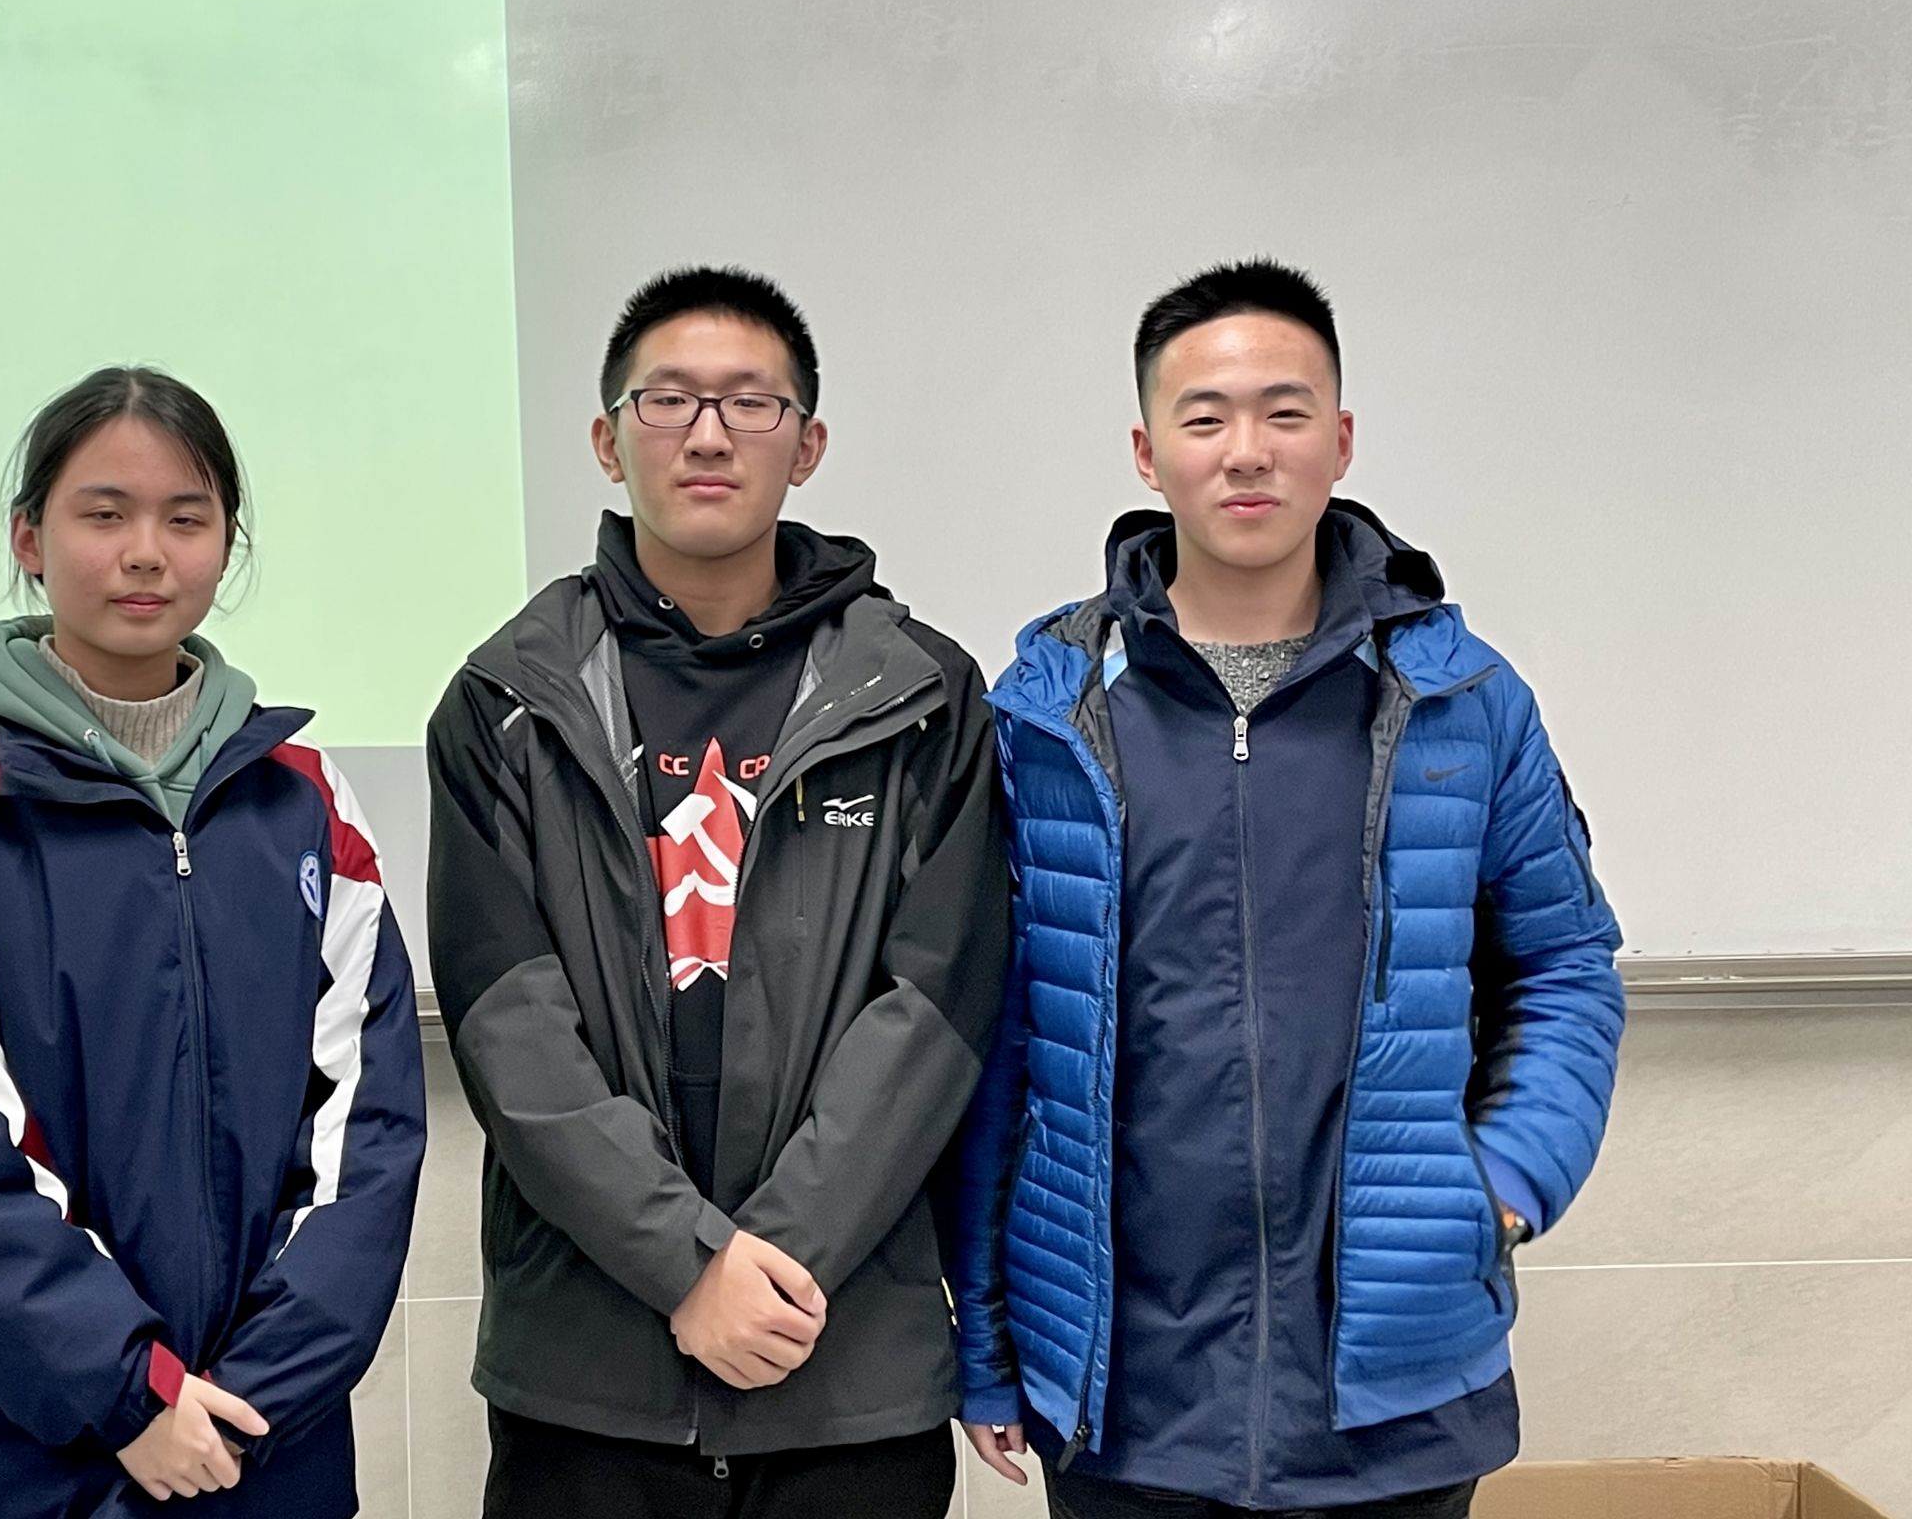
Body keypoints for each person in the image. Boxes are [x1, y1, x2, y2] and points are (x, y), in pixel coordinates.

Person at [951, 261, 1625, 1516]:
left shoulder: (1460, 702)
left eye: (1285, 412)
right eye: (1205, 418)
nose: (1247, 452)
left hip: (1395, 1395)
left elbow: (1564, 964)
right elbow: (1002, 1037)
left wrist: (1504, 1189)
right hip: (1130, 1405)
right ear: (1148, 454)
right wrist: (988, 1339)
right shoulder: (1049, 717)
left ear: (1342, 440)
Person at [426, 266, 1011, 1518]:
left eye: (751, 403)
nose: (707, 434)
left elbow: (938, 1008)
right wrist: (688, 1264)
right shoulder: (503, 701)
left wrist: (768, 1267)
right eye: (669, 400)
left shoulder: (922, 696)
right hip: (588, 1375)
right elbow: (504, 1026)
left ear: (808, 445)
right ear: (607, 441)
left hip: (842, 1362)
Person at [0, 366, 423, 1517]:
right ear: (29, 538)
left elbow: (369, 1134)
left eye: (186, 518)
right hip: (11, 1458)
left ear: (226, 547)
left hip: (260, 1454)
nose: (147, 553)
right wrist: (130, 1394)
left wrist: (244, 1401)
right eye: (105, 514)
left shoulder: (305, 801)